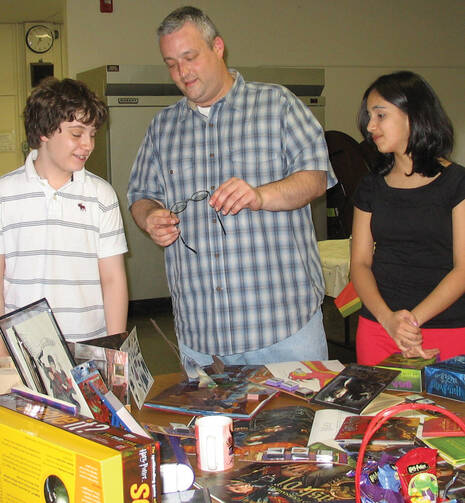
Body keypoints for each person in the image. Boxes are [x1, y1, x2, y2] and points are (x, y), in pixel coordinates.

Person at [128, 6, 336, 367]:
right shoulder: (162, 128)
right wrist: (150, 218)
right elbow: (140, 196)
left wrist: (260, 196)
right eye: (171, 63)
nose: (182, 72)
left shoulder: (278, 105)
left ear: (218, 47)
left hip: (285, 330)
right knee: (212, 427)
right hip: (203, 338)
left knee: (298, 424)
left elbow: (316, 178)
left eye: (190, 57)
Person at [0, 77, 128, 356]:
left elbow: (113, 280)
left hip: (88, 346)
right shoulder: (4, 193)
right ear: (45, 131)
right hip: (21, 349)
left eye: (92, 134)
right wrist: (2, 351)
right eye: (77, 133)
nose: (88, 144)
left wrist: (114, 348)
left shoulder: (102, 195)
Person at [350, 71, 465, 365]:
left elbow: (463, 269)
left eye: (380, 114)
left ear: (414, 114)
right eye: (368, 116)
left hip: (446, 328)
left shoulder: (457, 183)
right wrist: (389, 320)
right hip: (379, 327)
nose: (370, 126)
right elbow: (360, 264)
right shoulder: (371, 186)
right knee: (377, 412)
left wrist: (410, 323)